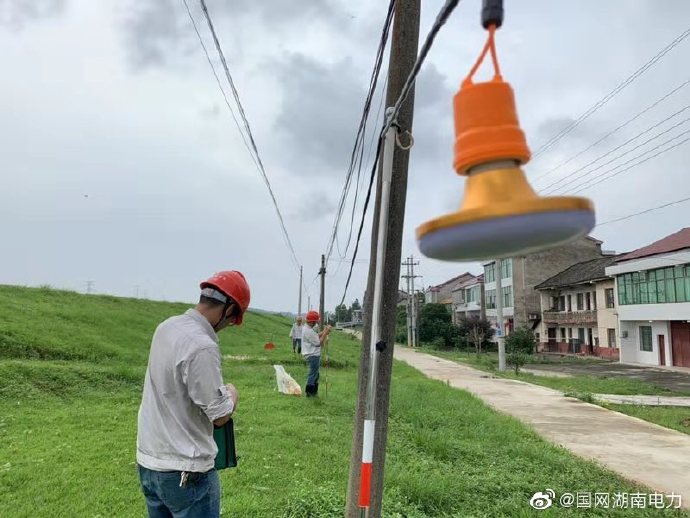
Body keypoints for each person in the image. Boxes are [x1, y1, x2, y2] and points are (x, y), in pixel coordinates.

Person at [136, 270, 250, 518]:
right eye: (232, 320)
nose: (228, 326)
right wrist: (232, 393)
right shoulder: (202, 345)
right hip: (187, 472)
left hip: (149, 463)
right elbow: (220, 416)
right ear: (229, 309)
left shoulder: (166, 327)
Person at [301, 310, 332, 397]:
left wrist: (324, 331)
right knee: (313, 374)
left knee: (316, 374)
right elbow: (318, 342)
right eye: (315, 321)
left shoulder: (307, 328)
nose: (316, 323)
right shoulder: (309, 331)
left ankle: (314, 393)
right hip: (312, 355)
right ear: (312, 321)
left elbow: (316, 336)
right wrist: (326, 333)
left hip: (311, 354)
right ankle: (310, 393)